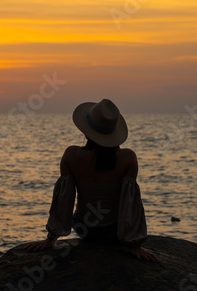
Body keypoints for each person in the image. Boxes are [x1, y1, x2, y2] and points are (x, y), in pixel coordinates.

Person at [25, 99, 157, 262]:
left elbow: (63, 200)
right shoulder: (127, 158)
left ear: (86, 132)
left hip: (85, 230)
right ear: (114, 133)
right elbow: (130, 204)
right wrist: (134, 244)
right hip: (115, 233)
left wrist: (51, 238)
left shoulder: (71, 155)